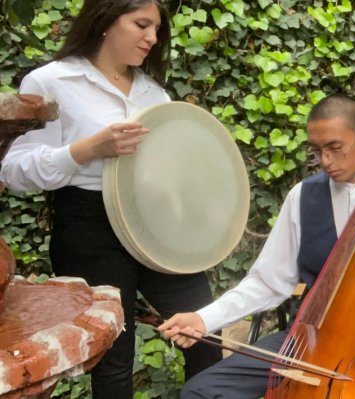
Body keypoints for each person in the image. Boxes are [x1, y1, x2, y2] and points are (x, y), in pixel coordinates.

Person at [0, 0, 222, 397]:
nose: (152, 39)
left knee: (205, 331)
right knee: (114, 359)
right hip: (89, 224)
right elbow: (12, 171)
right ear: (105, 20)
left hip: (156, 222)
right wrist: (87, 149)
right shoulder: (52, 81)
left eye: (156, 30)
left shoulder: (155, 94)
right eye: (141, 25)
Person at [158, 94, 355, 399]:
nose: (325, 161)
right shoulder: (302, 196)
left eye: (334, 148)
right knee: (200, 392)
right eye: (317, 151)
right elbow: (267, 282)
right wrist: (203, 319)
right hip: (306, 340)